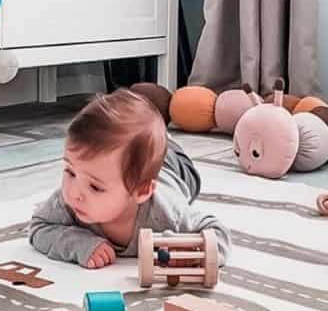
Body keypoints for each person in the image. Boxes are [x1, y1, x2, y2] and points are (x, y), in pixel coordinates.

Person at [29, 89, 231, 269]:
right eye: (70, 172)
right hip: (133, 163)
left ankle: (164, 136)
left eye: (95, 187)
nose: (74, 193)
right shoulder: (68, 201)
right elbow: (39, 227)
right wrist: (79, 242)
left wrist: (180, 249)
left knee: (155, 146)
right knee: (136, 120)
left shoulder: (166, 212)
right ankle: (146, 106)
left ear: (141, 192)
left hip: (174, 168)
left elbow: (219, 236)